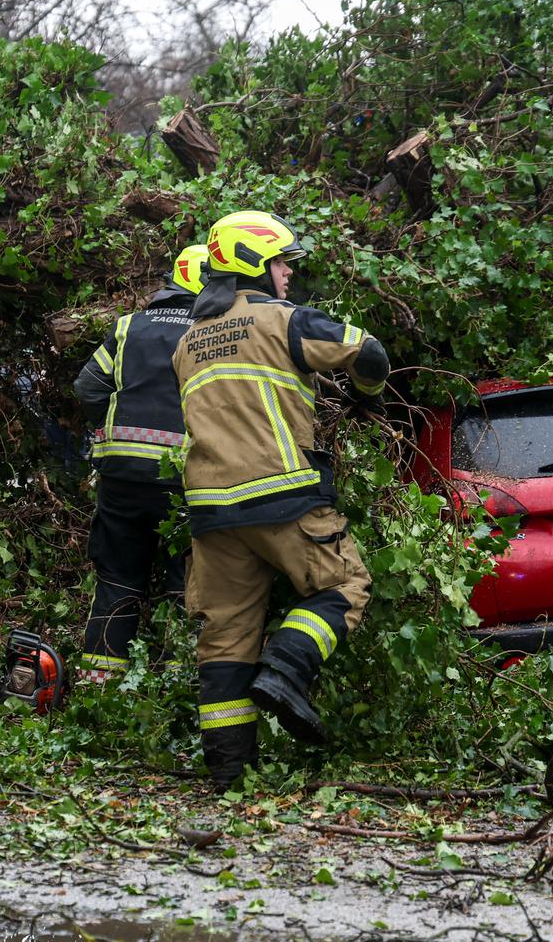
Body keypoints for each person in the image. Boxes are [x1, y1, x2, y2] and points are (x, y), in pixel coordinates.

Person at [171, 210, 389, 785]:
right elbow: (371, 355)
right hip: (284, 496)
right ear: (253, 264)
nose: (288, 271)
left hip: (212, 514)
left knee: (224, 637)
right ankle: (287, 668)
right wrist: (367, 396)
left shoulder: (187, 343)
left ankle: (228, 773)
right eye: (280, 260)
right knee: (345, 586)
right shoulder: (284, 320)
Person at [71, 243, 209, 684]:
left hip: (120, 476)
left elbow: (88, 387)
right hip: (182, 479)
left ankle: (100, 687)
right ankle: (173, 689)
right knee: (182, 584)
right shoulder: (213, 333)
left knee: (117, 578)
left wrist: (112, 431)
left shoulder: (129, 326)